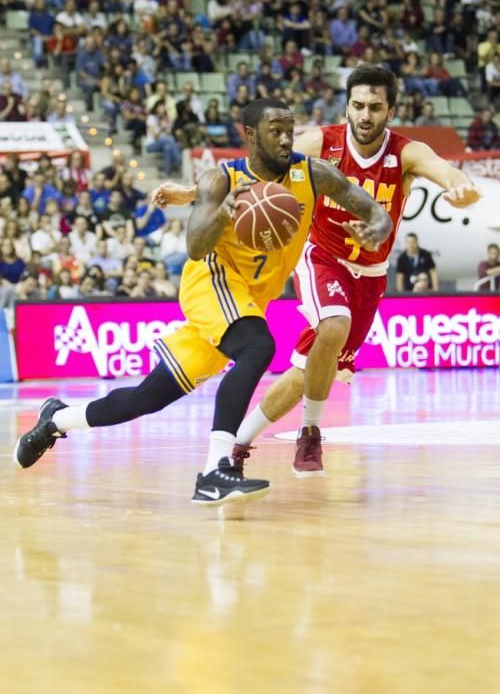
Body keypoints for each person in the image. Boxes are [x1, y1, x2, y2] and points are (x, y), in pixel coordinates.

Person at [13, 97, 391, 507]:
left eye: (289, 130)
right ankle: (215, 470)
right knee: (258, 346)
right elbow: (194, 246)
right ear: (249, 136)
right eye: (275, 131)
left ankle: (56, 419)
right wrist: (224, 214)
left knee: (149, 397)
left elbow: (369, 206)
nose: (286, 140)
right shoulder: (220, 180)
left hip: (246, 299)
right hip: (211, 281)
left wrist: (378, 224)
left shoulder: (311, 173)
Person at [152, 66, 482, 477]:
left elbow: (447, 172)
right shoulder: (320, 143)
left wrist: (460, 188)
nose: (365, 115)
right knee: (334, 323)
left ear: (390, 111)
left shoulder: (406, 153)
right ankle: (311, 432)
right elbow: (252, 167)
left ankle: (239, 443)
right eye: (357, 105)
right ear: (347, 106)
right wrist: (194, 192)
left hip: (371, 273)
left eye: (375, 107)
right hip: (321, 258)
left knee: (306, 372)